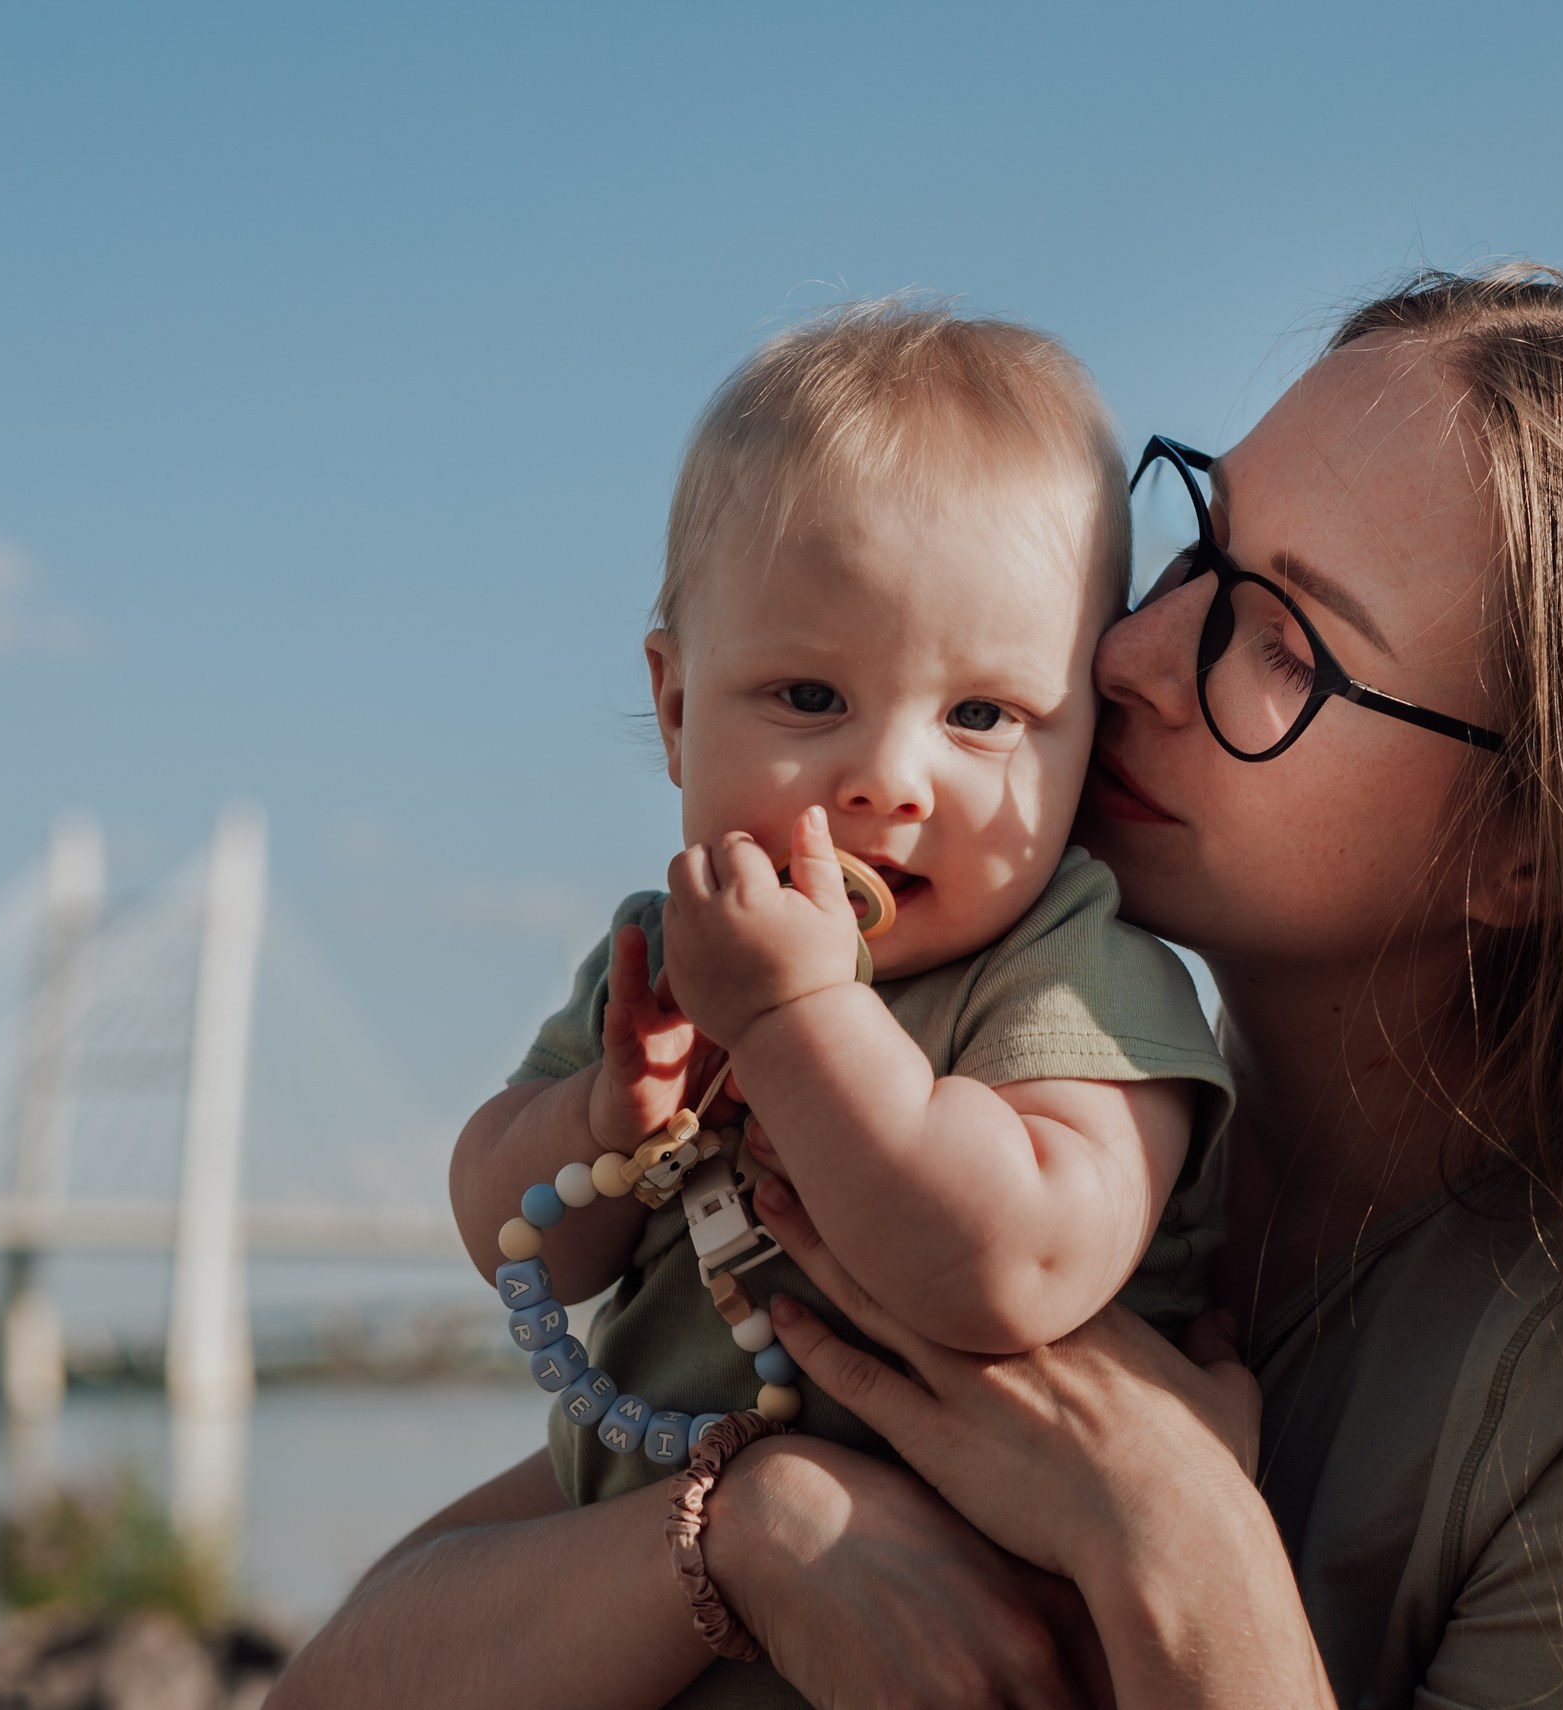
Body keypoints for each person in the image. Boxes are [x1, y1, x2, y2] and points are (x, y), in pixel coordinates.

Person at [273, 267, 1563, 1710]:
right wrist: (746, 1539)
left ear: (1529, 845)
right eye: (1193, 550)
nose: (1128, 656)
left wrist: (1182, 1550)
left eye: (1285, 645)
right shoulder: (959, 1069)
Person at [437, 300, 1235, 1704]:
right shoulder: (670, 953)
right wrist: (597, 1118)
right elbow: (519, 1244)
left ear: (1086, 735)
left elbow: (1013, 1267)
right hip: (659, 1615)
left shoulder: (1075, 970)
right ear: (676, 707)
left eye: (983, 715)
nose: (889, 781)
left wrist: (799, 1020)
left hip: (958, 1651)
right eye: (810, 696)